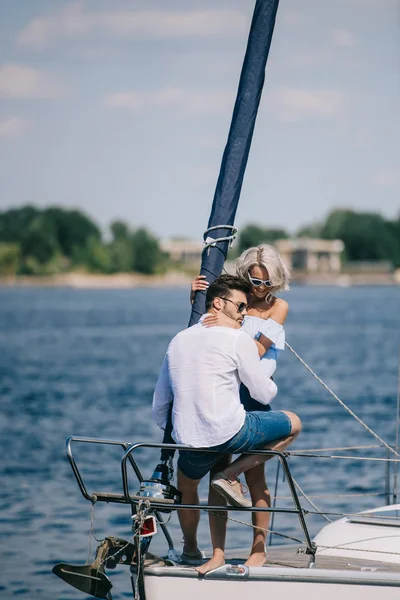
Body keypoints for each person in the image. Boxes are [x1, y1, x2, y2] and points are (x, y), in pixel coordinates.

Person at [152, 274, 301, 572]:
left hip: (190, 439)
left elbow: (160, 406)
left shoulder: (178, 339)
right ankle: (233, 472)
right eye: (241, 307)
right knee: (294, 423)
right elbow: (263, 391)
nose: (245, 314)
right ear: (218, 303)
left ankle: (194, 550)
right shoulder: (237, 339)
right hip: (230, 431)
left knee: (187, 484)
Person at [190, 244, 292, 570]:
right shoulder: (234, 298)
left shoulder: (278, 307)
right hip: (225, 391)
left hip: (256, 394)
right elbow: (204, 327)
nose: (261, 289)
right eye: (255, 280)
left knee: (255, 477)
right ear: (244, 273)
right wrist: (195, 298)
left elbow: (257, 351)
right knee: (216, 476)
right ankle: (217, 552)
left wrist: (229, 322)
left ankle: (258, 549)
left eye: (267, 283)